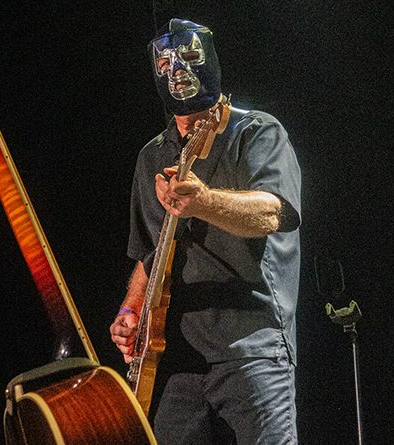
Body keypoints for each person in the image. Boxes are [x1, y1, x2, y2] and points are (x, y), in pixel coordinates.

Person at [109, 17, 302, 444]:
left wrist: (204, 202)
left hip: (250, 348)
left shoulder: (256, 132)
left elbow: (273, 212)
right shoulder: (151, 156)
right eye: (165, 63)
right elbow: (148, 253)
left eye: (189, 56)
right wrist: (130, 311)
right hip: (175, 359)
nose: (176, 70)